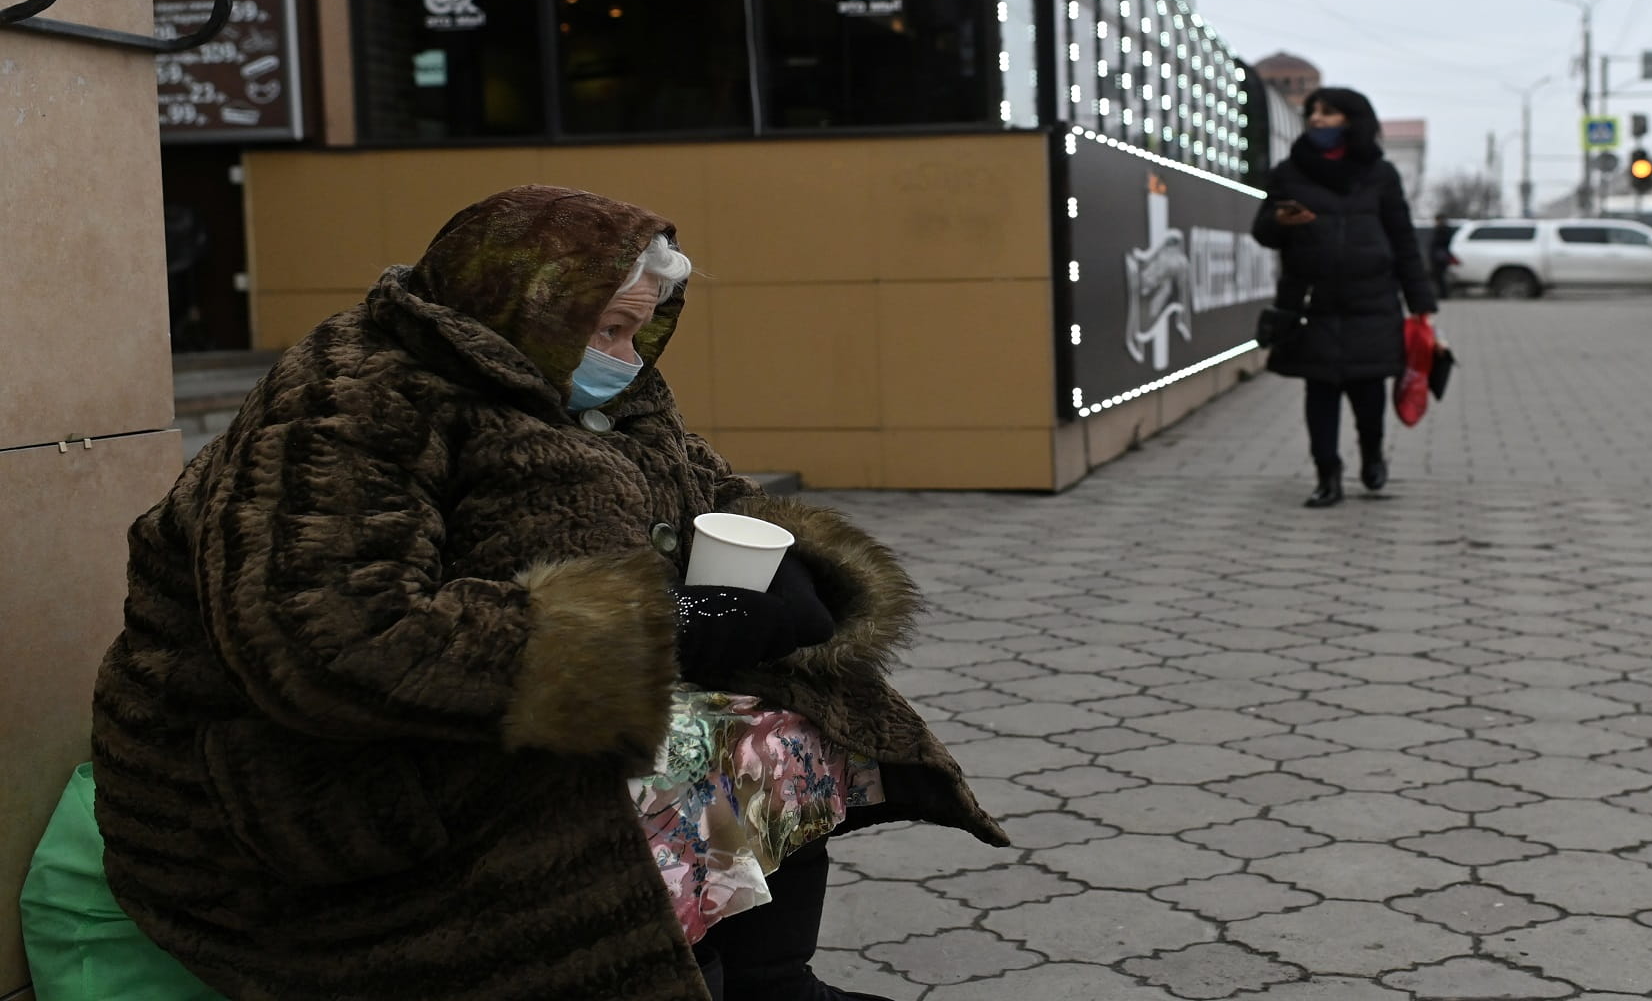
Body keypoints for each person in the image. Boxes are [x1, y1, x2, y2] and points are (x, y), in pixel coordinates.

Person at [90, 186, 1006, 1001]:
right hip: (299, 797)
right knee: (634, 783)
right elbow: (330, 643)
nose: (626, 353)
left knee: (790, 710)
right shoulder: (351, 400)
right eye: (606, 328)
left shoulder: (599, 390)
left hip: (467, 735)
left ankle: (769, 977)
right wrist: (657, 630)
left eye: (639, 328)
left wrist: (801, 570)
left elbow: (714, 498)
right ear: (523, 304)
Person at [1251, 87, 1439, 508]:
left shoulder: (1380, 175)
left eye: (1329, 113)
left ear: (1351, 121)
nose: (1316, 119)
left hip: (1371, 299)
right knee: (1319, 390)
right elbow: (1263, 232)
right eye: (1313, 112)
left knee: (1368, 391)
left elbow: (1403, 240)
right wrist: (1280, 220)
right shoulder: (1289, 172)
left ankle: (1372, 456)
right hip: (1310, 300)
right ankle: (1327, 474)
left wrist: (1421, 301)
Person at [1429, 214, 1455, 300]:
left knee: (1440, 276)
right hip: (1440, 255)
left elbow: (1439, 242)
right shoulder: (1442, 229)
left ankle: (1443, 294)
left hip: (1440, 256)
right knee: (1438, 276)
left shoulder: (1443, 229)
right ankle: (1442, 293)